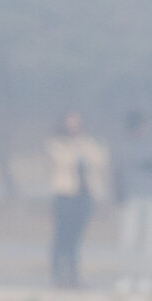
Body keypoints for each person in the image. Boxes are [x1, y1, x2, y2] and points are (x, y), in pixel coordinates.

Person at [112, 111, 152, 301]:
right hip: (132, 198)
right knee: (128, 240)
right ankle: (127, 277)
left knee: (151, 241)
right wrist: (119, 196)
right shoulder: (125, 145)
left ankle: (146, 279)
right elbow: (118, 171)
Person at [45, 111, 108, 290]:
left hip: (84, 196)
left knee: (75, 239)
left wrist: (83, 152)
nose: (74, 125)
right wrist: (81, 153)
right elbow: (64, 160)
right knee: (61, 237)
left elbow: (100, 159)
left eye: (77, 122)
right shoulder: (56, 142)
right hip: (64, 196)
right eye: (70, 122)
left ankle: (73, 277)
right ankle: (58, 275)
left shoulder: (87, 142)